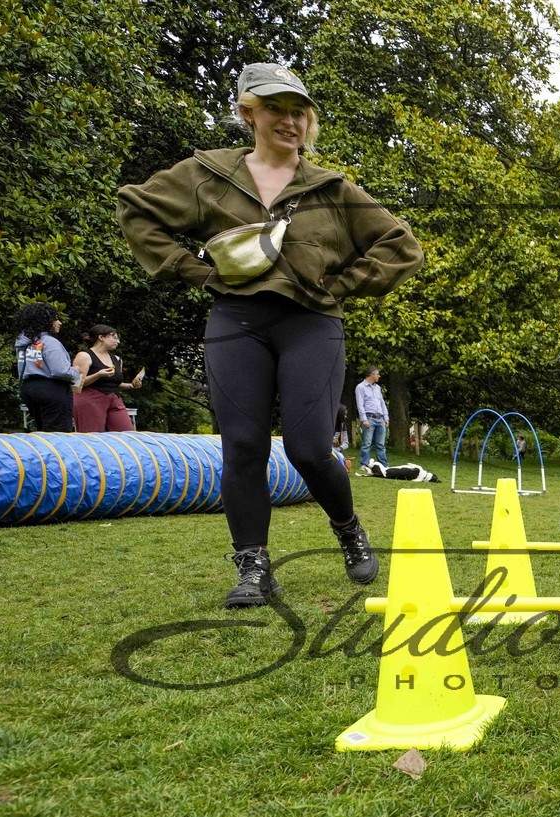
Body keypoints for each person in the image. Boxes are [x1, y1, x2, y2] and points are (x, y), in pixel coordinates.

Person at [118, 62, 423, 608]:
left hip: (311, 323)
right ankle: (253, 568)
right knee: (242, 447)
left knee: (309, 448)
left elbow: (401, 246)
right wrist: (195, 270)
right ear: (247, 112)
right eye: (275, 108)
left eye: (297, 111)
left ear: (308, 122)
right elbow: (138, 210)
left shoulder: (332, 188)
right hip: (236, 321)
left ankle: (349, 528)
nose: (288, 120)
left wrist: (344, 283)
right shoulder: (205, 174)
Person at [13, 303, 78, 431]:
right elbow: (60, 371)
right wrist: (75, 372)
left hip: (29, 388)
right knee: (58, 432)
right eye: (56, 319)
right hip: (52, 389)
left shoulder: (23, 343)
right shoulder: (50, 342)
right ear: (46, 321)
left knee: (41, 429)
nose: (59, 323)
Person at [71, 325, 142, 432]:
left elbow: (115, 384)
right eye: (114, 337)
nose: (117, 341)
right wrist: (98, 375)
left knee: (127, 434)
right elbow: (75, 384)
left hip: (114, 400)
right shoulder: (84, 356)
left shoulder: (117, 360)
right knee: (92, 438)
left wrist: (131, 385)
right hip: (90, 400)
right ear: (101, 337)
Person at [355, 366, 390, 471]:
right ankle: (364, 464)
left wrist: (386, 416)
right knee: (367, 443)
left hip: (380, 418)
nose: (379, 376)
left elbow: (382, 402)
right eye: (377, 374)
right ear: (371, 374)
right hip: (369, 417)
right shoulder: (360, 387)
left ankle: (384, 464)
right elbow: (360, 404)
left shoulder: (377, 388)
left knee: (380, 444)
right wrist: (364, 419)